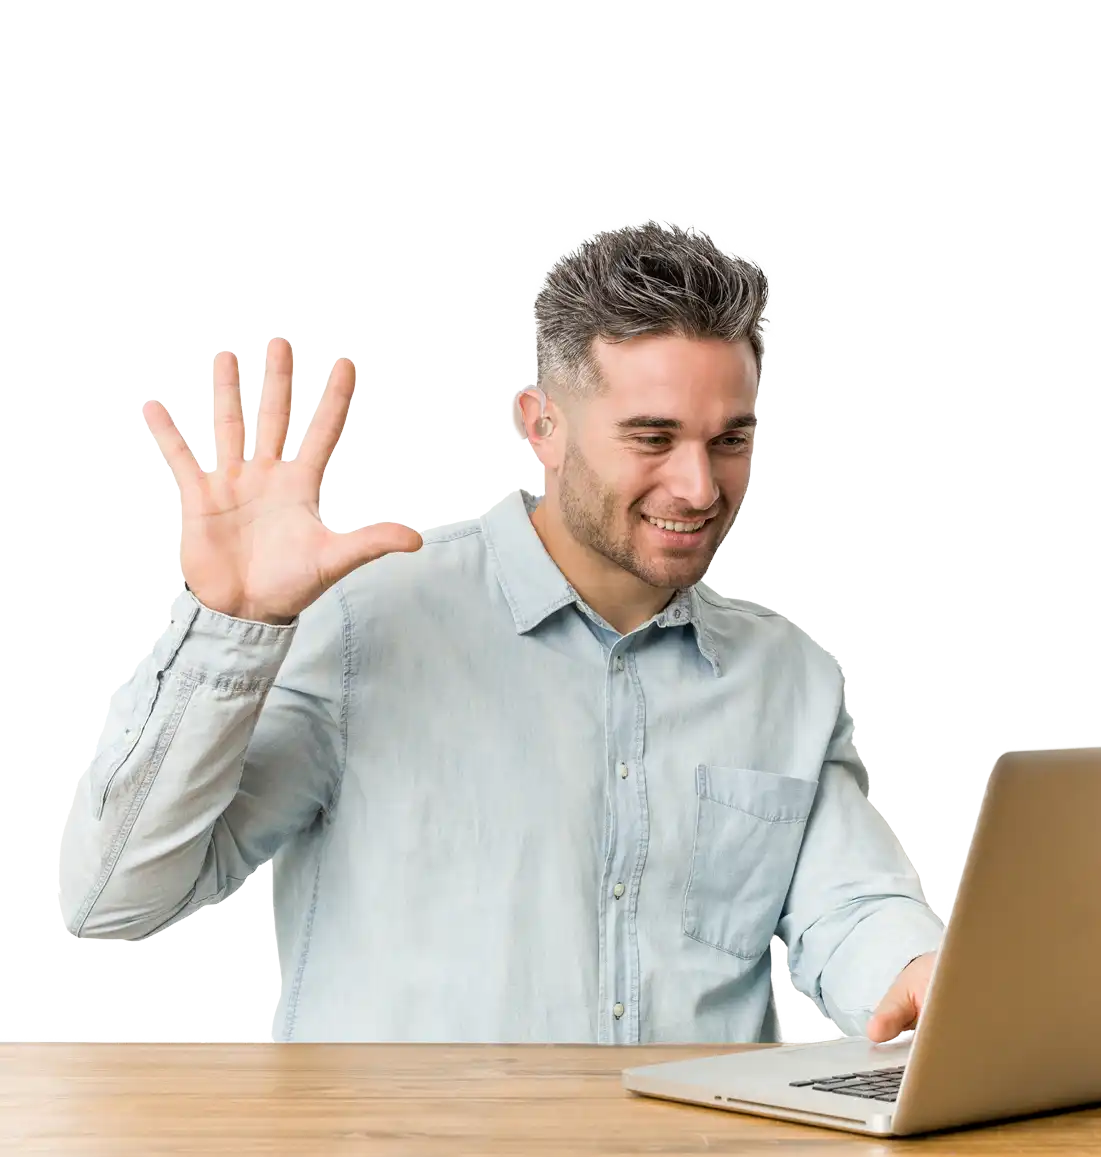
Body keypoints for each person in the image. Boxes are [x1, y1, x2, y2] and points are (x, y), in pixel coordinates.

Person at [57, 218, 944, 1045]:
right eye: (652, 437)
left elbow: (850, 906)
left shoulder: (784, 671)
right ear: (540, 425)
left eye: (730, 440)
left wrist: (918, 971)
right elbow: (113, 900)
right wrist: (229, 628)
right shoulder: (367, 623)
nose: (699, 487)